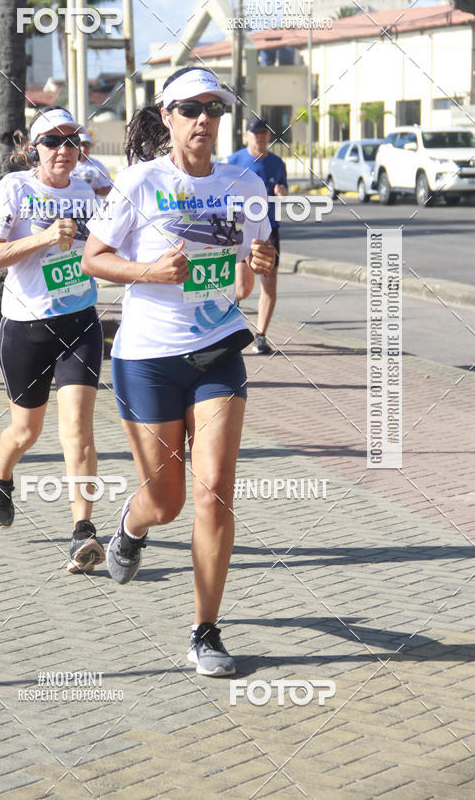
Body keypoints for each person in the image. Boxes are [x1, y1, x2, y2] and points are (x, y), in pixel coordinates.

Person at [82, 67, 275, 676]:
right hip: (147, 359)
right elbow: (93, 258)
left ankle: (205, 631)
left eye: (213, 109)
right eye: (189, 109)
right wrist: (149, 273)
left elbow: (254, 263)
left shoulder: (245, 181)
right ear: (166, 118)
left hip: (218, 349)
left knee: (214, 492)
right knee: (165, 502)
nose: (202, 120)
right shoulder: (140, 181)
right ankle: (132, 528)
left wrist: (264, 260)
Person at [0, 107, 105, 575]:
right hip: (26, 327)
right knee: (26, 433)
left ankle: (83, 531)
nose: (63, 150)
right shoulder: (15, 188)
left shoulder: (86, 191)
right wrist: (46, 236)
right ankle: (0, 473)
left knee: (77, 428)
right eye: (52, 141)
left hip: (80, 323)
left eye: (72, 141)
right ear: (34, 148)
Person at [229, 116, 288, 354]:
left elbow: (283, 191)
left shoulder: (277, 163)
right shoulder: (234, 162)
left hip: (269, 230)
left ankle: (261, 335)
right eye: (256, 133)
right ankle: (227, 325)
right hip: (241, 230)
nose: (260, 137)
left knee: (269, 282)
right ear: (246, 136)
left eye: (264, 133)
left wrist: (282, 193)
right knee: (242, 289)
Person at [74, 131, 112, 197]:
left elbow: (108, 188)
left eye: (86, 145)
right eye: (80, 144)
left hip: (91, 205)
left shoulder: (97, 165)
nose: (83, 149)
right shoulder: (67, 164)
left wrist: (91, 191)